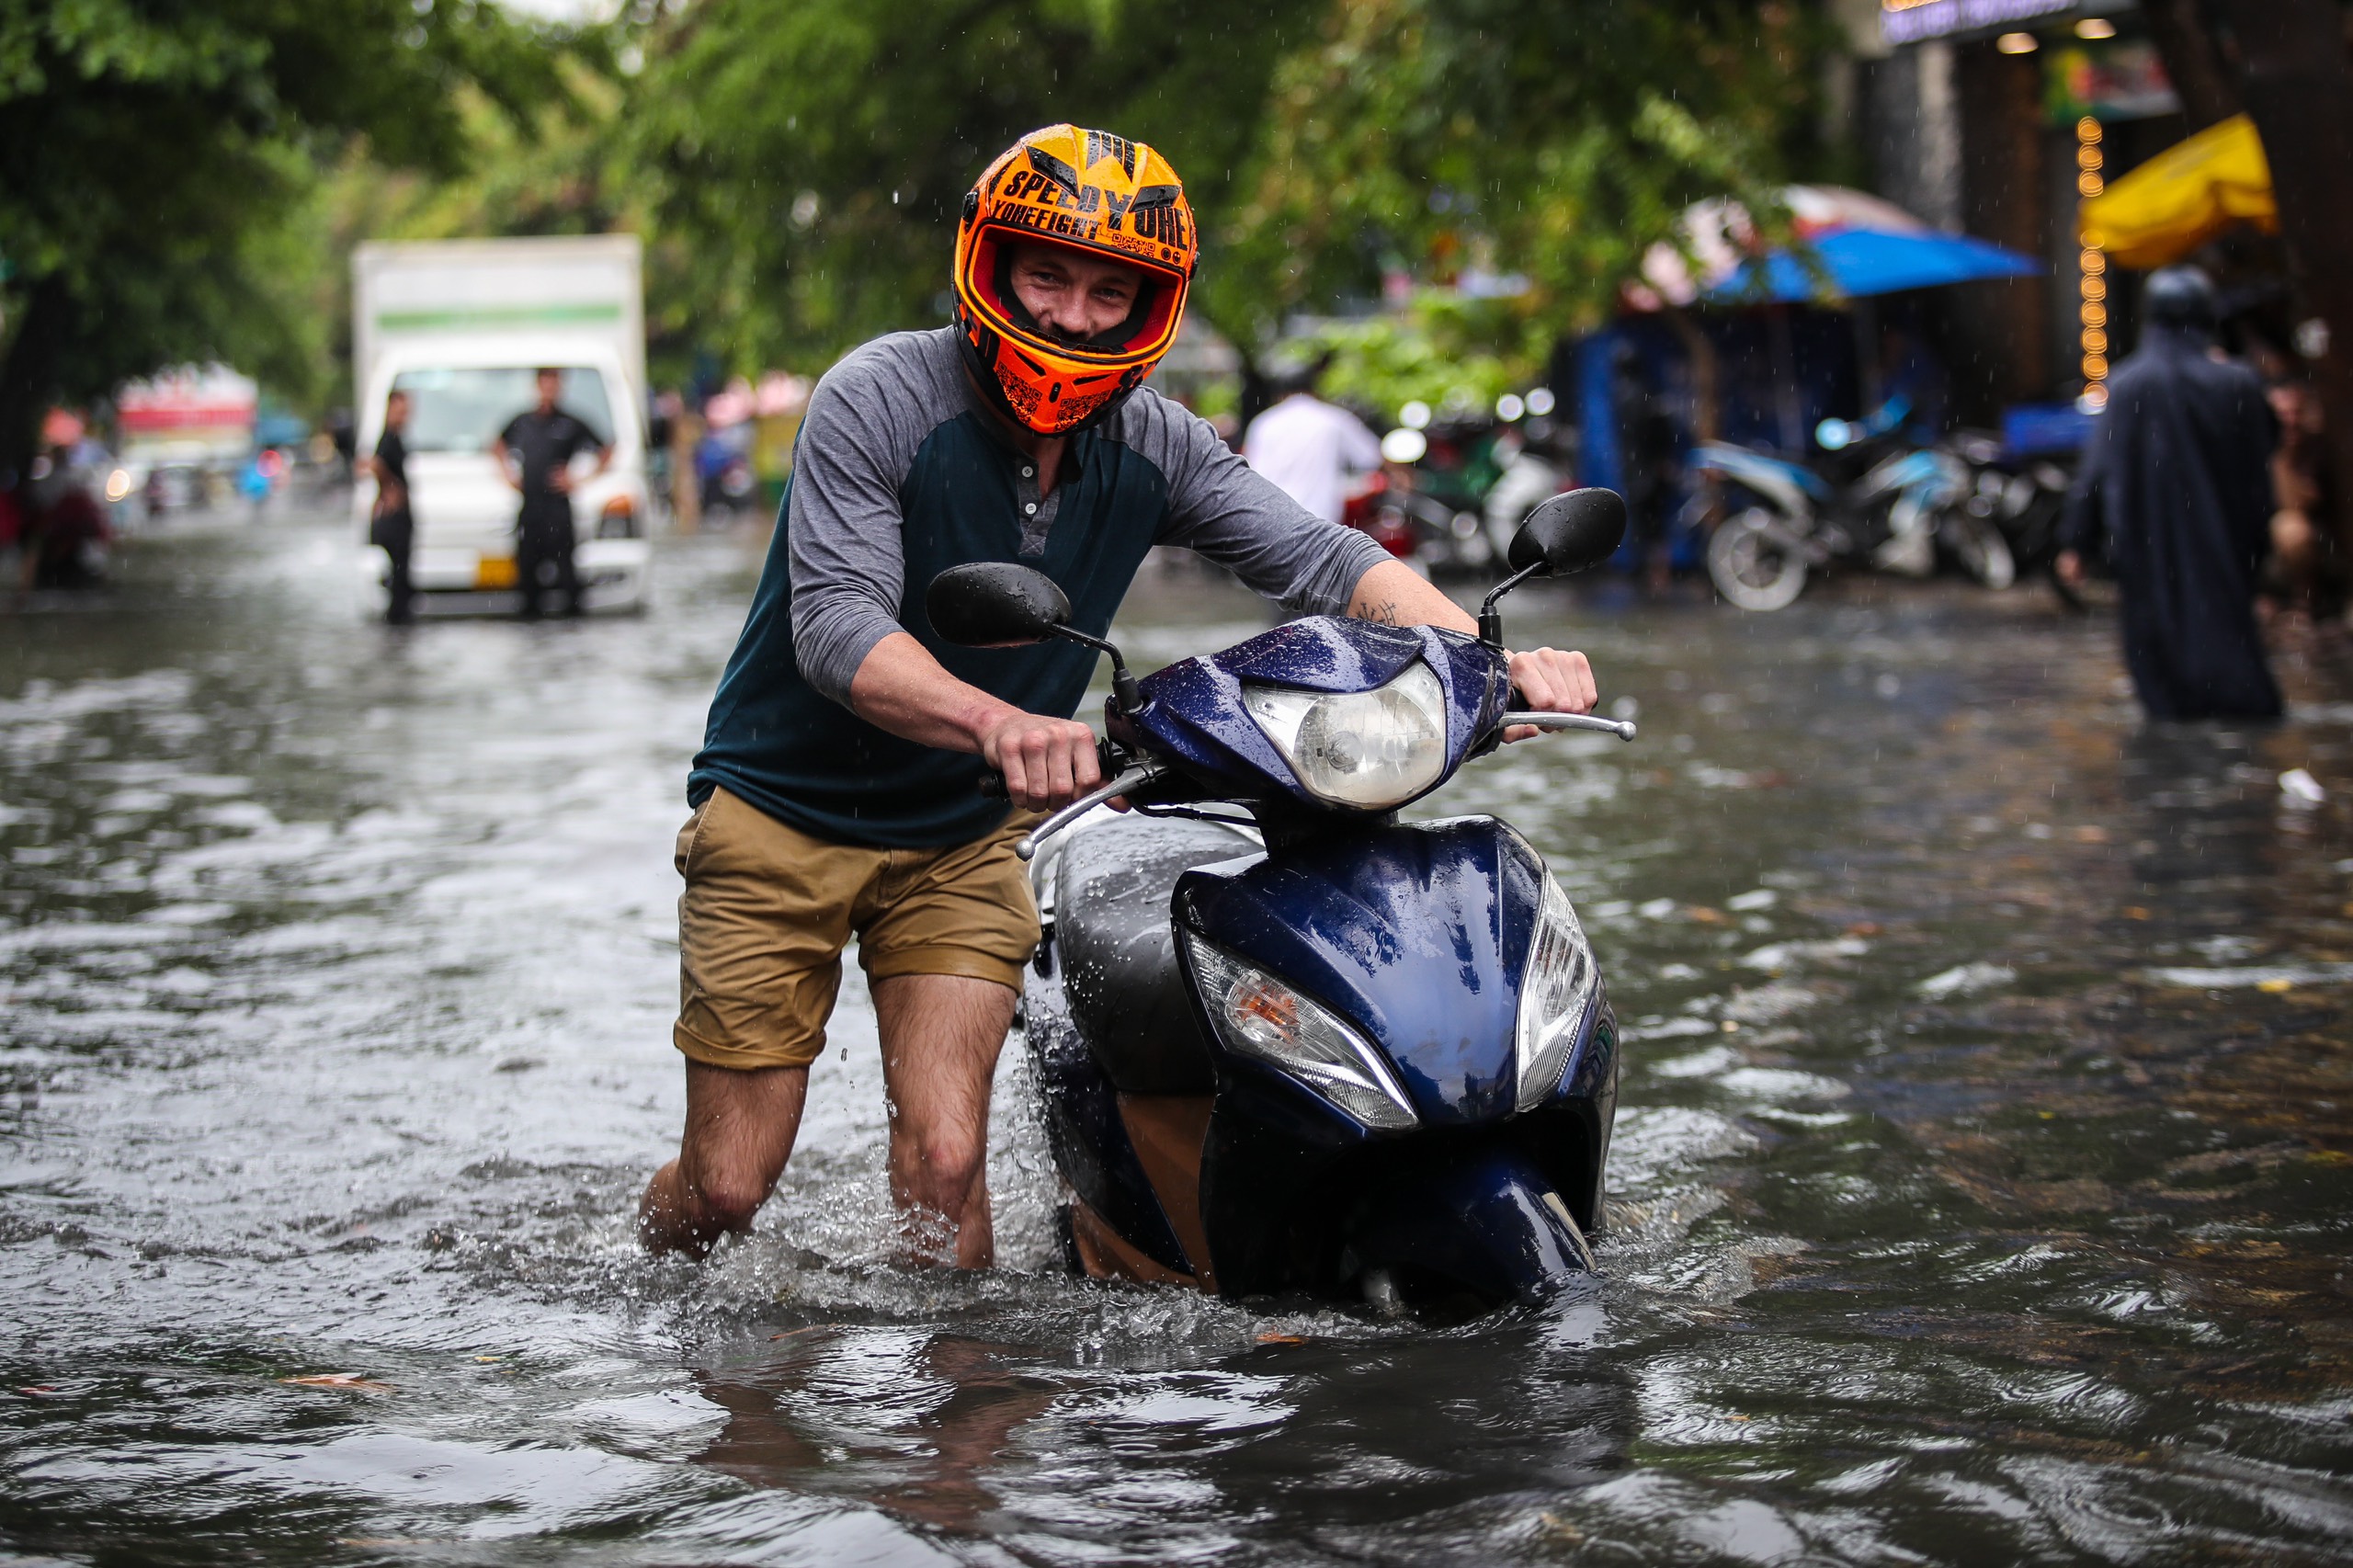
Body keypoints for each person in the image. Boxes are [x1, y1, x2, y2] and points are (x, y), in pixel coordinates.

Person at [637, 124, 1601, 1266]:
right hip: (782, 808)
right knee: (732, 1183)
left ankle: (954, 1428)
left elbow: (1325, 561)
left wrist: (1486, 660)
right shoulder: (876, 395)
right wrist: (998, 721)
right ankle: (653, 1265)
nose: (1072, 315)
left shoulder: (1157, 439)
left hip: (960, 832)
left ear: (1153, 307)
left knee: (945, 1166)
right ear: (987, 268)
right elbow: (837, 624)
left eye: (1111, 289)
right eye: (1045, 274)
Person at [2059, 267, 2281, 721]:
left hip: (2147, 540)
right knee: (2227, 637)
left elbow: (2095, 472)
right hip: (2222, 536)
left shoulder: (2126, 385)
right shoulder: (2235, 381)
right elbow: (2262, 464)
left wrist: (2076, 541)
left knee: (2158, 652)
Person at [493, 369, 611, 619]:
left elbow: (607, 449)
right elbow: (497, 444)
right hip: (530, 508)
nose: (549, 390)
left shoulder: (570, 423)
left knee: (566, 574)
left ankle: (571, 627)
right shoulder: (523, 422)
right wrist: (507, 474)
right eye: (544, 384)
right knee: (526, 575)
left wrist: (578, 480)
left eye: (553, 384)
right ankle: (531, 624)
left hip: (557, 509)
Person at [1242, 357, 1385, 525]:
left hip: (1268, 523)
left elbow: (1250, 472)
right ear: (1314, 388)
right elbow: (1373, 458)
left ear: (1279, 393)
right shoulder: (1333, 418)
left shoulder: (1263, 423)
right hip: (1319, 524)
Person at [361, 390, 416, 624]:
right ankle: (396, 618)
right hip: (394, 518)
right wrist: (390, 488)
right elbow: (372, 463)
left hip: (400, 515)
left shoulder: (395, 437)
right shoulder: (388, 438)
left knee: (401, 570)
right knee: (397, 571)